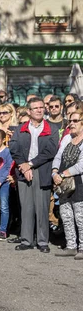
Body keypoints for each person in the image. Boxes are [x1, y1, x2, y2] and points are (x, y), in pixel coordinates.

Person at [9, 97, 60, 253]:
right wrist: (23, 166)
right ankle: (26, 239)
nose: (39, 110)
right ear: (29, 111)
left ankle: (43, 241)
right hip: (24, 170)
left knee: (42, 207)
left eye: (41, 107)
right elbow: (13, 147)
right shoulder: (21, 128)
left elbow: (50, 151)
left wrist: (29, 164)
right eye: (35, 108)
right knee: (26, 207)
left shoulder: (51, 128)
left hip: (41, 171)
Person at [53, 109, 83, 258]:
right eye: (70, 121)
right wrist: (54, 173)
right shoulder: (66, 139)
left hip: (78, 183)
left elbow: (81, 165)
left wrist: (62, 174)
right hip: (63, 183)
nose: (71, 124)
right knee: (66, 215)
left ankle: (82, 247)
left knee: (80, 216)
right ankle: (71, 245)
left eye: (75, 121)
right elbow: (58, 157)